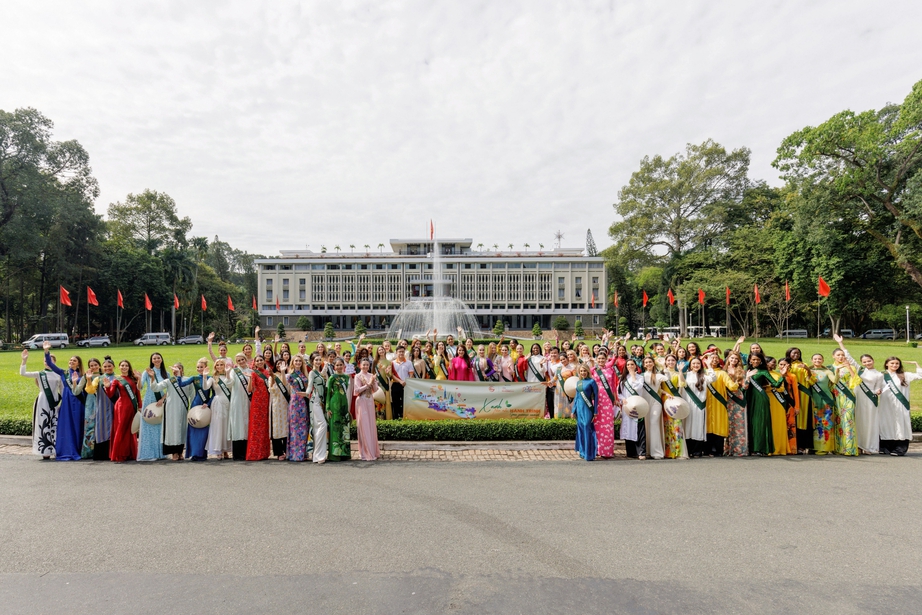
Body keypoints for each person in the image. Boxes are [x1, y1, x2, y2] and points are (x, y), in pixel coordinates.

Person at [835, 336, 884, 454]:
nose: (867, 363)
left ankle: (869, 447)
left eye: (869, 361)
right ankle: (859, 445)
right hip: (858, 398)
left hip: (870, 400)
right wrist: (841, 343)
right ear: (862, 363)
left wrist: (878, 391)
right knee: (858, 421)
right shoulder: (859, 370)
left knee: (870, 422)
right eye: (864, 361)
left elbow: (879, 387)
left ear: (873, 361)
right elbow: (849, 357)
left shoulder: (879, 374)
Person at [19, 344, 63, 459]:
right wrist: (24, 361)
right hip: (42, 400)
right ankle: (44, 450)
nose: (47, 362)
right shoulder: (39, 374)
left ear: (54, 362)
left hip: (54, 402)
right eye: (45, 361)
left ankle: (54, 448)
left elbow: (62, 391)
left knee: (54, 423)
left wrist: (62, 404)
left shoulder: (58, 375)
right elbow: (23, 373)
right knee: (42, 423)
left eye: (50, 360)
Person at [45, 351, 85, 461]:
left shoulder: (82, 375)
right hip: (67, 401)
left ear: (78, 364)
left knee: (77, 425)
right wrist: (46, 351)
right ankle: (66, 450)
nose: (71, 362)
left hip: (77, 402)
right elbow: (50, 363)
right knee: (66, 425)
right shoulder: (64, 373)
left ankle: (78, 449)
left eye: (74, 361)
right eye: (70, 360)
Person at [878, 357, 922, 456]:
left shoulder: (905, 375)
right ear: (886, 364)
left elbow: (920, 375)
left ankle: (900, 448)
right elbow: (876, 387)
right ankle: (885, 447)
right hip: (886, 405)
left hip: (901, 405)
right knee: (886, 424)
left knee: (901, 425)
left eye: (897, 363)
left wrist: (916, 363)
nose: (894, 365)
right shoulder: (881, 375)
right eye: (892, 363)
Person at [150, 362, 193, 461]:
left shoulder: (187, 380)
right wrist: (152, 378)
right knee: (172, 431)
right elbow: (155, 388)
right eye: (174, 368)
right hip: (170, 409)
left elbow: (192, 395)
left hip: (183, 408)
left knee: (181, 430)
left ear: (182, 370)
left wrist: (193, 409)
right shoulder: (169, 381)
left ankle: (180, 452)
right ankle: (173, 452)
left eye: (178, 368)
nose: (176, 370)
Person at [742, 354, 782, 456]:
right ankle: (751, 448)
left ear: (761, 361)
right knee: (750, 423)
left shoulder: (763, 371)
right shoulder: (745, 371)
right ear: (750, 360)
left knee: (760, 423)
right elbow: (743, 389)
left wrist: (783, 376)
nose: (755, 361)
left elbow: (776, 384)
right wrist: (747, 377)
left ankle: (761, 448)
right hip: (749, 398)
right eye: (753, 359)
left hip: (760, 399)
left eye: (758, 360)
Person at [702, 353, 738, 456]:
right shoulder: (703, 373)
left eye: (716, 358)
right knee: (707, 425)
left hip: (719, 403)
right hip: (705, 403)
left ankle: (718, 450)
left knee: (719, 425)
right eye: (711, 358)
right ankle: (707, 450)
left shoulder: (722, 373)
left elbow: (732, 387)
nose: (714, 359)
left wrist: (735, 378)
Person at [105, 359, 141, 462]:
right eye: (122, 365)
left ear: (129, 367)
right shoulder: (117, 379)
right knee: (121, 429)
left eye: (126, 365)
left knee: (131, 430)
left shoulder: (133, 378)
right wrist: (107, 387)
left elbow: (137, 393)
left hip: (132, 406)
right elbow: (111, 394)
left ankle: (130, 453)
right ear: (119, 367)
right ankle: (119, 454)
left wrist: (140, 406)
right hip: (121, 407)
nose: (124, 367)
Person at [138, 352, 168, 461]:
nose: (156, 360)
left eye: (158, 358)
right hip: (149, 401)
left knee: (159, 427)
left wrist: (162, 399)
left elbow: (170, 390)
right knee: (149, 427)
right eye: (154, 358)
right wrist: (138, 379)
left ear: (161, 359)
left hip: (160, 401)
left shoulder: (166, 373)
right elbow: (140, 388)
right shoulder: (147, 373)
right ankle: (149, 453)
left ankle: (160, 453)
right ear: (151, 360)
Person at [785, 347, 815, 454]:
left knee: (803, 420)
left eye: (798, 353)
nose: (796, 355)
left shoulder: (804, 364)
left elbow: (811, 381)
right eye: (793, 353)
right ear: (789, 354)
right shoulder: (786, 365)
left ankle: (802, 446)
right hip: (790, 395)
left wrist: (807, 369)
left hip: (804, 396)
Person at [680, 356, 711, 458]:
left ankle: (697, 451)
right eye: (693, 363)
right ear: (690, 365)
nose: (696, 365)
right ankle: (689, 450)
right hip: (688, 403)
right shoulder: (686, 375)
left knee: (697, 426)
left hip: (699, 405)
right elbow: (681, 383)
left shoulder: (703, 376)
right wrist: (680, 371)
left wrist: (709, 365)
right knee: (688, 426)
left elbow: (713, 378)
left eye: (698, 363)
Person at [590, 347, 618, 458]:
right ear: (596, 359)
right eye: (599, 358)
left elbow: (613, 385)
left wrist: (615, 398)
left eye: (603, 359)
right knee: (596, 424)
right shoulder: (592, 370)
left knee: (607, 425)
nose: (601, 360)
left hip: (607, 399)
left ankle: (607, 451)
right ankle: (597, 449)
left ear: (606, 359)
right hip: (596, 399)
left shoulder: (611, 370)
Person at [87, 357, 116, 460]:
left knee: (113, 428)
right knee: (101, 429)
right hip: (102, 406)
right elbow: (90, 390)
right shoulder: (98, 379)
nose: (107, 368)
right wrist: (88, 379)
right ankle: (102, 453)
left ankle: (113, 452)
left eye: (109, 366)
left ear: (113, 367)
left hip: (114, 406)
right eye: (105, 366)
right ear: (102, 368)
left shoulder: (118, 378)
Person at [809, 353, 837, 455]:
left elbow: (834, 380)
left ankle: (825, 447)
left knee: (826, 423)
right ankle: (814, 447)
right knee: (815, 423)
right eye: (815, 359)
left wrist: (837, 373)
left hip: (826, 400)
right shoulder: (808, 371)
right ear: (812, 360)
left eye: (819, 359)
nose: (817, 360)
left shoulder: (827, 371)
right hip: (814, 400)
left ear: (823, 360)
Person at [641, 356, 668, 460]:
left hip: (655, 403)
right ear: (644, 365)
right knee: (646, 425)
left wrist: (663, 366)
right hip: (644, 403)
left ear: (653, 363)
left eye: (650, 362)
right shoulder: (641, 376)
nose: (648, 364)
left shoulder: (658, 375)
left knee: (653, 423)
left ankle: (656, 451)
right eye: (646, 362)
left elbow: (667, 378)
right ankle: (647, 450)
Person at [661, 354, 687, 459]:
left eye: (673, 360)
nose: (671, 362)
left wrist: (680, 371)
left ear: (675, 362)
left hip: (675, 401)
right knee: (667, 425)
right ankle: (669, 452)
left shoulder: (677, 374)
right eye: (669, 360)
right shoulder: (661, 373)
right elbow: (658, 388)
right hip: (666, 400)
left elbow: (682, 384)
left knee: (677, 424)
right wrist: (665, 393)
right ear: (666, 362)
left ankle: (678, 451)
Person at [618, 359, 646, 459]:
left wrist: (633, 375)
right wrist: (622, 399)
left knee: (639, 428)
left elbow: (637, 388)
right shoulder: (622, 379)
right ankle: (630, 452)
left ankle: (641, 452)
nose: (630, 366)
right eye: (628, 364)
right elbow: (619, 393)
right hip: (627, 406)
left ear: (635, 366)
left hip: (637, 405)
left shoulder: (640, 377)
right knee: (628, 428)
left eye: (632, 364)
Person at [246, 356, 272, 461]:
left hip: (266, 401)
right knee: (256, 427)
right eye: (257, 361)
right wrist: (251, 379)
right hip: (257, 401)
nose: (260, 362)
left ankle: (264, 453)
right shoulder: (253, 373)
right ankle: (254, 453)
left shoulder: (267, 373)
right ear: (255, 363)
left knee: (264, 427)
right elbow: (250, 389)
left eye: (261, 360)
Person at [353, 357, 380, 461]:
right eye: (363, 365)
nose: (365, 367)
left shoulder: (371, 376)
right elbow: (356, 391)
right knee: (364, 425)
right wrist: (367, 384)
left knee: (371, 425)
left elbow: (376, 389)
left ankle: (373, 450)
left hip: (369, 401)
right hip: (361, 401)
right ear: (360, 365)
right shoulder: (358, 376)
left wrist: (373, 382)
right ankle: (365, 452)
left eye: (367, 365)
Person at [326, 358, 351, 461]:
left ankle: (344, 453)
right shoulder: (332, 378)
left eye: (341, 365)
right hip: (334, 403)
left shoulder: (346, 377)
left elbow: (347, 392)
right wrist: (328, 407)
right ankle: (335, 454)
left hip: (344, 403)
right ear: (334, 367)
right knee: (335, 427)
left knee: (344, 427)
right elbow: (328, 393)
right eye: (337, 365)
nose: (339, 367)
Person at [227, 353, 252, 460]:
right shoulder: (234, 371)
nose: (241, 362)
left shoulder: (251, 371)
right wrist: (227, 374)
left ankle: (246, 452)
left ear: (246, 359)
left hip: (247, 401)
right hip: (237, 401)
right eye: (238, 360)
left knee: (246, 424)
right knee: (238, 424)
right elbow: (229, 384)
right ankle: (237, 454)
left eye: (242, 359)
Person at [723, 352, 748, 457]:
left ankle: (739, 449)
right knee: (728, 423)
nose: (734, 360)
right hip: (726, 397)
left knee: (739, 423)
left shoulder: (741, 371)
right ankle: (727, 449)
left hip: (738, 398)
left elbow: (745, 387)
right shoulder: (723, 370)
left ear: (738, 361)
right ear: (728, 359)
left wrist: (748, 378)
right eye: (732, 358)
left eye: (736, 359)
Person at [207, 358, 233, 459]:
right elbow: (205, 387)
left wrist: (227, 374)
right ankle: (218, 450)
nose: (219, 367)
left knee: (226, 426)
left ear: (224, 366)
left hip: (228, 402)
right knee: (218, 426)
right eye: (217, 365)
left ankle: (226, 449)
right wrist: (205, 377)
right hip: (218, 403)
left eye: (221, 365)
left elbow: (230, 385)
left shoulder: (229, 376)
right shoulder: (213, 378)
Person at [572, 365, 598, 461]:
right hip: (579, 408)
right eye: (581, 371)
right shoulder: (579, 382)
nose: (583, 372)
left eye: (584, 371)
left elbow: (596, 397)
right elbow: (576, 397)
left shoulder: (592, 382)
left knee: (587, 428)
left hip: (588, 408)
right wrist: (573, 410)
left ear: (588, 371)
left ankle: (589, 454)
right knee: (581, 430)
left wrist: (595, 411)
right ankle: (582, 452)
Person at [286, 354, 309, 462]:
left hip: (303, 402)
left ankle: (303, 453)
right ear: (293, 363)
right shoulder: (290, 375)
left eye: (300, 361)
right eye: (296, 361)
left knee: (303, 427)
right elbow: (284, 382)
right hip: (295, 402)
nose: (298, 363)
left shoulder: (304, 375)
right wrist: (282, 372)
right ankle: (295, 454)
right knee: (295, 428)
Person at [306, 354, 328, 463]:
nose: (318, 361)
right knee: (323, 425)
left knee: (317, 427)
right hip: (315, 401)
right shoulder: (312, 373)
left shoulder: (319, 373)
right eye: (316, 360)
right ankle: (318, 455)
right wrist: (306, 393)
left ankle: (318, 455)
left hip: (320, 402)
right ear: (312, 361)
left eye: (320, 360)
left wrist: (326, 365)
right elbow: (310, 386)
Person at [267, 357, 290, 460]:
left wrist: (283, 372)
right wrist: (272, 377)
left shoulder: (288, 375)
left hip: (286, 403)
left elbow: (285, 385)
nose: (279, 365)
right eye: (278, 364)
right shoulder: (273, 376)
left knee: (286, 427)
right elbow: (271, 390)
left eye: (282, 363)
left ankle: (286, 450)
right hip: (276, 404)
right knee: (276, 428)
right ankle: (278, 452)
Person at [81, 358, 101, 458]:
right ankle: (88, 451)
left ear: (99, 365)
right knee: (89, 426)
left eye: (95, 365)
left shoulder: (103, 376)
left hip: (102, 402)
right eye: (91, 365)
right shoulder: (86, 376)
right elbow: (76, 391)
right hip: (90, 402)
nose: (93, 367)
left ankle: (100, 450)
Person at [389, 346, 414, 419]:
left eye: (402, 351)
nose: (401, 353)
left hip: (406, 385)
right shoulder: (392, 363)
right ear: (396, 353)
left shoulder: (409, 363)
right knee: (395, 402)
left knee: (405, 403)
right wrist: (400, 381)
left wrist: (406, 381)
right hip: (396, 384)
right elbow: (392, 375)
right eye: (399, 351)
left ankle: (405, 417)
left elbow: (411, 374)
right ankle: (396, 418)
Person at [372, 346, 392, 420]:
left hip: (384, 384)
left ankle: (383, 418)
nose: (381, 351)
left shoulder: (389, 362)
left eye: (382, 349)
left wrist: (387, 373)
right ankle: (376, 418)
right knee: (376, 401)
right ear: (377, 352)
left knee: (383, 401)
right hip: (376, 384)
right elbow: (372, 373)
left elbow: (390, 375)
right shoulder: (375, 362)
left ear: (384, 351)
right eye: (379, 350)